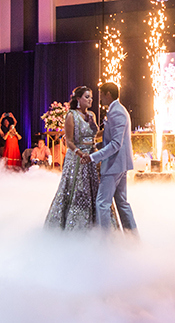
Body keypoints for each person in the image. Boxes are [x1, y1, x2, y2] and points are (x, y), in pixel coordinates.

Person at [45, 85, 102, 231]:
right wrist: (80, 153)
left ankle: (94, 226)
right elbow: (69, 141)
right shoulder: (71, 115)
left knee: (93, 190)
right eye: (87, 97)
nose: (90, 100)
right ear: (78, 99)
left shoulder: (92, 116)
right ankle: (74, 225)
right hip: (77, 159)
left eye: (91, 97)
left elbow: (94, 135)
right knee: (76, 190)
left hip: (91, 157)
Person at [83, 82, 137, 234]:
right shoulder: (117, 110)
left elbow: (115, 144)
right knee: (122, 203)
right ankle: (132, 238)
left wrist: (93, 157)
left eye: (101, 95)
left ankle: (106, 243)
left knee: (102, 203)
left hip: (115, 164)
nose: (99, 98)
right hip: (120, 164)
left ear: (108, 94)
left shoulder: (117, 112)